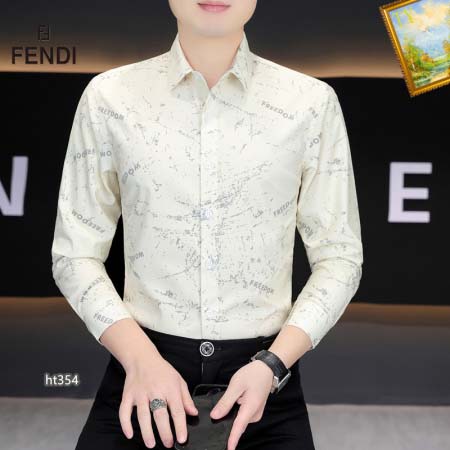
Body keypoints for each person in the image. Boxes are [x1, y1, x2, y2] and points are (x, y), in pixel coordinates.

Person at [51, 0, 363, 449]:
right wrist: (141, 360)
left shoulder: (311, 103)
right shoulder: (110, 97)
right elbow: (74, 254)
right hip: (142, 375)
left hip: (265, 385)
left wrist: (273, 364)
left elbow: (340, 258)